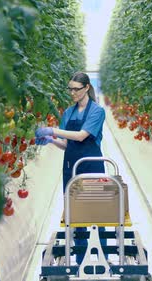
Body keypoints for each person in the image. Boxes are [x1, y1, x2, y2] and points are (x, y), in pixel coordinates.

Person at [35, 72, 107, 265]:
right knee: (76, 214)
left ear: (86, 88)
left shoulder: (97, 111)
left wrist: (52, 130)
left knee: (99, 211)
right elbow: (67, 143)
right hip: (71, 167)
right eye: (70, 89)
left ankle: (104, 257)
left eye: (76, 89)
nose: (72, 93)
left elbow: (82, 136)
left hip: (92, 166)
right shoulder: (68, 113)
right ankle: (80, 259)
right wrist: (52, 140)